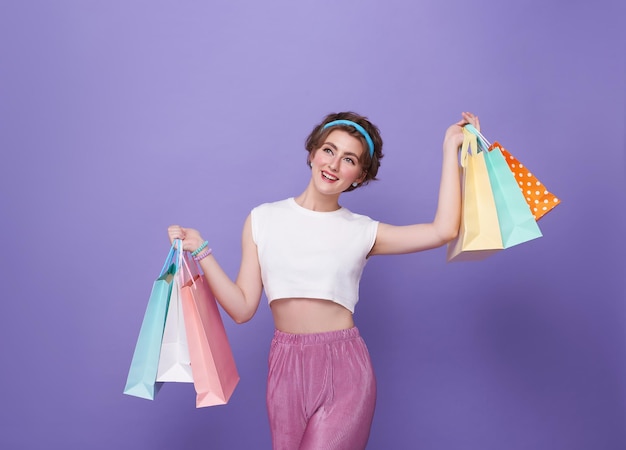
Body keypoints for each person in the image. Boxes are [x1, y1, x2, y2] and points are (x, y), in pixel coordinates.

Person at [168, 111, 480, 450]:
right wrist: (201, 249)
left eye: (349, 159)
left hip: (344, 368)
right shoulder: (262, 219)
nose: (333, 164)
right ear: (312, 153)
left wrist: (451, 148)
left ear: (359, 176)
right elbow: (242, 308)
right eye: (329, 150)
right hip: (284, 367)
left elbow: (443, 230)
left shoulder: (362, 231)